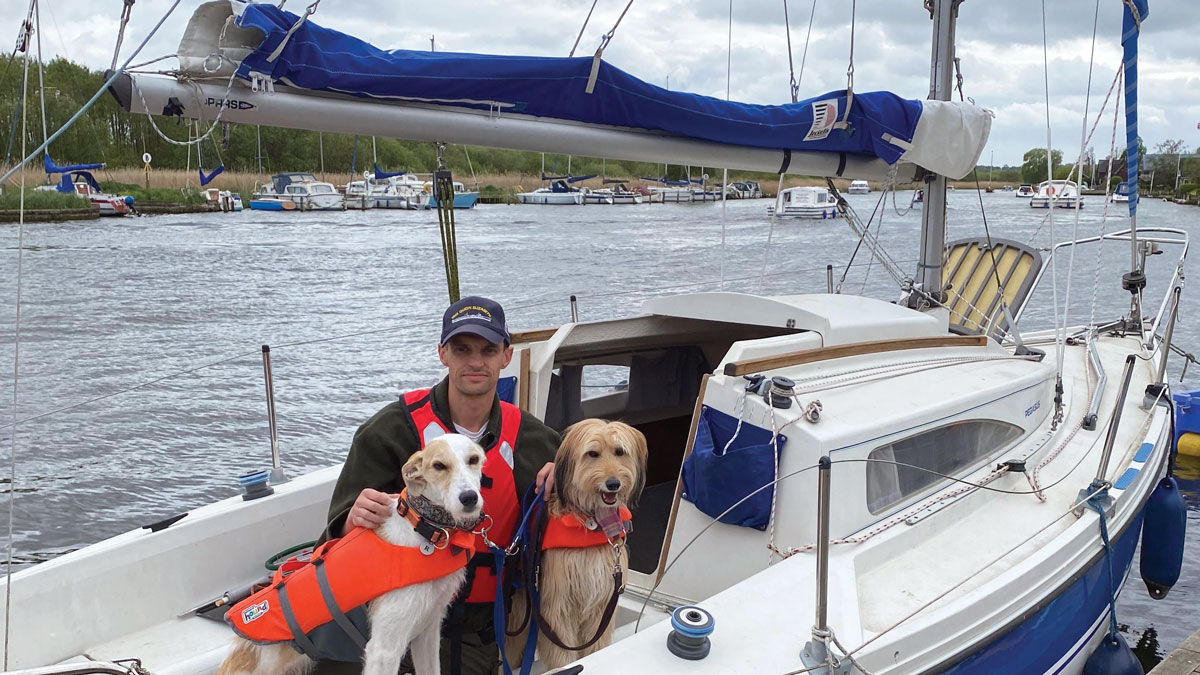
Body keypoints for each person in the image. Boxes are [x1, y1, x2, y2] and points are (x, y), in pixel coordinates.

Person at [313, 296, 560, 675]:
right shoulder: (388, 432)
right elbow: (333, 537)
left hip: (479, 628)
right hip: (390, 618)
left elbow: (587, 487)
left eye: (488, 350)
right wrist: (353, 517)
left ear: (506, 356)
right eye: (462, 349)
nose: (475, 362)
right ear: (442, 353)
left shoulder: (535, 440)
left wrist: (565, 475)